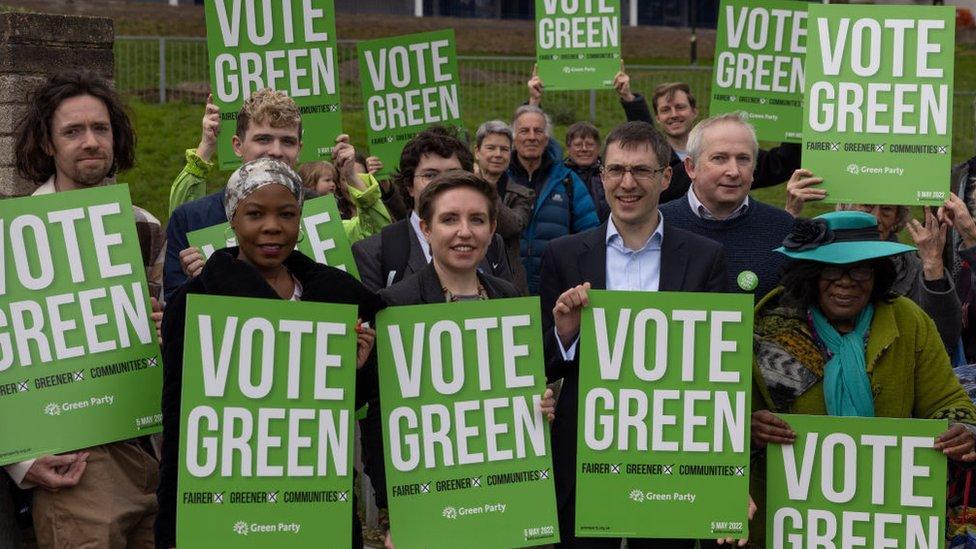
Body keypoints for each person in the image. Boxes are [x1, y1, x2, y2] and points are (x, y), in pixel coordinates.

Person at [155, 158, 386, 548]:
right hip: (228, 506)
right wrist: (173, 530)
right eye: (255, 214)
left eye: (287, 214)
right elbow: (180, 422)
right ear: (232, 219)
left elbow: (341, 406)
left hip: (313, 501)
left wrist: (357, 371)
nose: (272, 227)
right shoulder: (196, 302)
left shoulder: (337, 295)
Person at [539, 121, 727, 547]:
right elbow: (544, 361)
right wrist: (565, 335)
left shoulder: (705, 258)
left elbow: (717, 369)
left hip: (670, 457)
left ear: (666, 177)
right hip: (586, 455)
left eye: (641, 171)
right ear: (601, 175)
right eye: (616, 170)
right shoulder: (564, 255)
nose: (627, 183)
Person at [750, 210, 976, 545]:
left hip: (888, 515)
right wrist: (748, 427)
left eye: (860, 270)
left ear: (877, 274)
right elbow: (724, 420)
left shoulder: (907, 320)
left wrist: (961, 430)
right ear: (810, 274)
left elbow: (946, 400)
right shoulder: (768, 329)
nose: (846, 281)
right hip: (790, 517)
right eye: (832, 270)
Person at [10, 69, 165, 548]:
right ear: (48, 144)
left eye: (101, 129)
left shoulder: (144, 227)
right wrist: (20, 462)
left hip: (147, 456)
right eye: (73, 131)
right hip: (75, 465)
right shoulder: (12, 238)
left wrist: (161, 331)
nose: (91, 142)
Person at [378, 170, 555, 548]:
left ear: (492, 230)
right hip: (433, 508)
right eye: (449, 219)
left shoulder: (508, 298)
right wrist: (395, 513)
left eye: (477, 220)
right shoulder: (396, 305)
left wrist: (539, 405)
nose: (464, 232)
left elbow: (523, 393)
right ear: (425, 229)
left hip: (506, 504)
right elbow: (383, 420)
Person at [786, 175, 963, 356]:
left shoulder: (914, 268)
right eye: (866, 206)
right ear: (845, 207)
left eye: (886, 209)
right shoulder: (815, 259)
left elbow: (946, 337)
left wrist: (933, 265)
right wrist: (789, 215)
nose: (875, 217)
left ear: (896, 219)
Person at [164, 89, 303, 302]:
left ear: (299, 148)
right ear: (238, 146)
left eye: (287, 141)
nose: (276, 151)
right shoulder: (192, 219)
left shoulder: (322, 212)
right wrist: (199, 283)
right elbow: (173, 316)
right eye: (263, 139)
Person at [352, 125, 513, 293]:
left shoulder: (491, 244)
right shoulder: (374, 252)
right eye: (430, 175)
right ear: (409, 186)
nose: (443, 183)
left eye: (453, 174)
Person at [610, 69, 801, 204]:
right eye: (666, 110)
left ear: (694, 111)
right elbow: (645, 137)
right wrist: (628, 97)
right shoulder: (657, 161)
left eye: (680, 107)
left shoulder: (730, 155)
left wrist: (798, 119)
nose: (674, 114)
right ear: (658, 118)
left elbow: (779, 165)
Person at [659, 113, 795, 300]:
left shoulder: (782, 228)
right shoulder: (656, 226)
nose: (733, 171)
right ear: (691, 167)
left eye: (743, 159)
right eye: (719, 158)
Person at [507, 104, 600, 293]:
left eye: (538, 131)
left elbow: (590, 235)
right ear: (514, 138)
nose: (532, 137)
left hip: (556, 287)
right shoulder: (501, 179)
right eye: (524, 131)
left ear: (546, 138)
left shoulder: (567, 180)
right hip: (506, 287)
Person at [474, 120, 535, 294]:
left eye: (504, 149)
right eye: (491, 148)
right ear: (477, 152)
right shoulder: (461, 188)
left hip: (509, 283)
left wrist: (486, 188)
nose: (498, 154)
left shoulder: (523, 194)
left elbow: (511, 226)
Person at [298, 154, 392, 244]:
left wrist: (351, 175)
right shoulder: (295, 222)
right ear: (310, 183)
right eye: (327, 180)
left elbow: (374, 229)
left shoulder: (339, 222)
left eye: (334, 180)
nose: (333, 184)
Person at [564, 121, 609, 222]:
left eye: (589, 144)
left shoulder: (609, 174)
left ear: (598, 148)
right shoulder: (559, 177)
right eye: (578, 145)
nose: (584, 149)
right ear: (568, 149)